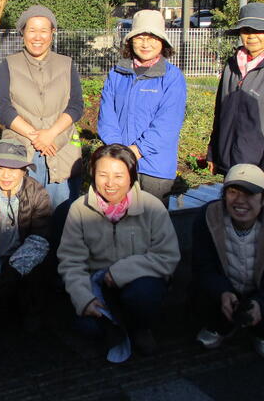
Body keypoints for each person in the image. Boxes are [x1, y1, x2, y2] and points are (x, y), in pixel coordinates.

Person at [58, 144, 180, 362]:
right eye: (103, 175)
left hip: (139, 281)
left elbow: (167, 256)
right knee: (87, 326)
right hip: (97, 283)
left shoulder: (152, 207)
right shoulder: (79, 209)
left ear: (131, 176)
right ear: (93, 174)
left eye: (118, 176)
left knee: (142, 295)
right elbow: (71, 261)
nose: (110, 183)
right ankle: (113, 328)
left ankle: (140, 329)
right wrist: (84, 298)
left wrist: (120, 272)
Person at [191, 163, 264, 359]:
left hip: (260, 292)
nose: (240, 201)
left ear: (263, 199)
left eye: (250, 194)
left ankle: (261, 331)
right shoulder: (208, 217)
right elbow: (202, 266)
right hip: (227, 288)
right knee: (197, 298)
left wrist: (262, 304)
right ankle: (222, 326)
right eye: (233, 192)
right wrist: (222, 291)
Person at [207, 2, 264, 211]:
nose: (252, 36)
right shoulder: (232, 65)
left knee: (263, 223)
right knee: (231, 218)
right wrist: (214, 152)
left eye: (259, 31)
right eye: (246, 30)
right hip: (230, 163)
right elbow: (220, 112)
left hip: (260, 166)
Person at [0, 5, 84, 211]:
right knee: (24, 212)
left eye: (44, 30)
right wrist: (35, 136)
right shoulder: (10, 64)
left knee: (61, 212)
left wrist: (50, 134)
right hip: (22, 147)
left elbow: (76, 105)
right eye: (32, 30)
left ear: (52, 33)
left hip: (61, 147)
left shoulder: (66, 64)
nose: (37, 37)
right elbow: (2, 106)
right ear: (23, 33)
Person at [97, 9, 186, 205]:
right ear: (131, 41)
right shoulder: (117, 74)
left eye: (152, 37)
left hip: (155, 168)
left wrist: (137, 151)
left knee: (151, 221)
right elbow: (107, 116)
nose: (146, 44)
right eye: (140, 37)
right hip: (119, 164)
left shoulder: (172, 78)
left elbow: (167, 124)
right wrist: (120, 152)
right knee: (116, 218)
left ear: (162, 41)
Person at [0, 139, 52, 331]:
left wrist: (14, 271)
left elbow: (40, 239)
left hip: (24, 259)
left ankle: (32, 311)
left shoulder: (38, 195)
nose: (6, 175)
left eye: (13, 169)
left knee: (33, 281)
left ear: (24, 171)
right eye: (0, 168)